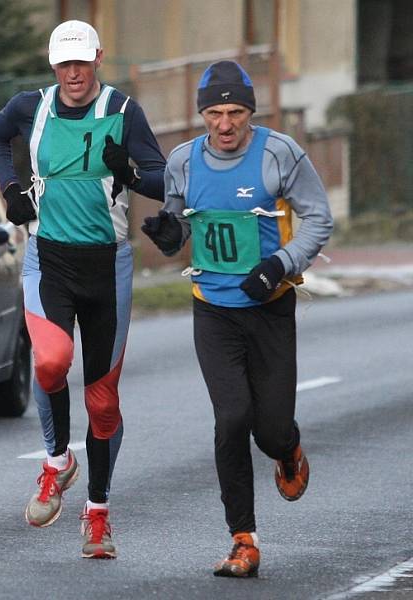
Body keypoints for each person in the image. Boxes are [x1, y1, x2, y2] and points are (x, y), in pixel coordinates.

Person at [141, 60, 333, 577]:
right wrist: (167, 234)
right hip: (215, 312)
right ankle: (242, 539)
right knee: (231, 420)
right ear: (201, 115)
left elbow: (319, 218)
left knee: (269, 431)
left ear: (251, 112)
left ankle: (287, 450)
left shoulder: (279, 154)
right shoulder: (182, 161)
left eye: (236, 113)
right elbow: (180, 225)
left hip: (270, 309)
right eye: (214, 113)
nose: (225, 125)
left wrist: (279, 265)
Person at [0, 19, 165, 559]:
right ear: (52, 65)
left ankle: (99, 514)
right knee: (50, 361)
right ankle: (58, 460)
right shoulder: (28, 107)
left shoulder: (124, 111)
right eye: (64, 64)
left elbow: (161, 177)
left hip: (107, 268)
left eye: (81, 62)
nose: (73, 73)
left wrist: (128, 171)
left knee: (102, 400)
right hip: (49, 260)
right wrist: (12, 188)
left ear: (98, 58)